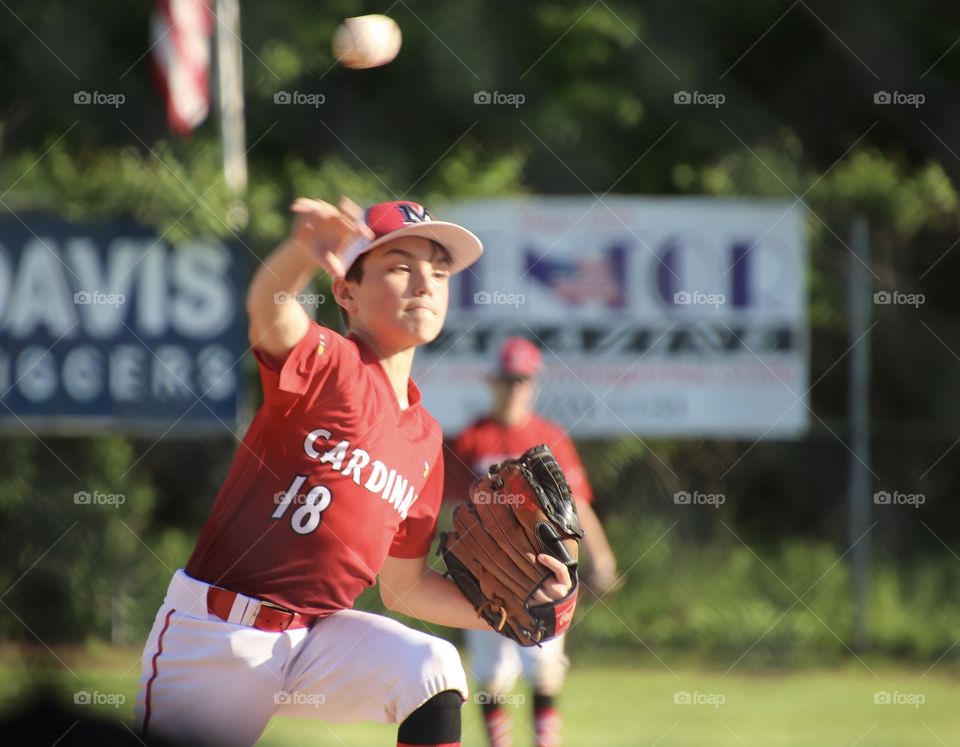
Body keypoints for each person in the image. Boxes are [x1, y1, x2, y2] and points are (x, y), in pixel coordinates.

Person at [133, 198, 574, 747]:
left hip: (320, 640)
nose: (425, 284)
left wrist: (527, 613)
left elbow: (405, 588)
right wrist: (301, 251)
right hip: (218, 635)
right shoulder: (330, 363)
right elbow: (269, 310)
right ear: (347, 293)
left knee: (433, 669)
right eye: (400, 267)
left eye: (438, 273)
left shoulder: (425, 438)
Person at [445, 337, 619, 747]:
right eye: (508, 379)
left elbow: (577, 508)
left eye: (523, 379)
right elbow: (451, 509)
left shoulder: (550, 436)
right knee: (491, 678)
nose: (515, 387)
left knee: (543, 669)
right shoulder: (472, 439)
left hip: (544, 575)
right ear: (493, 381)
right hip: (489, 575)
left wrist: (603, 558)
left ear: (534, 383)